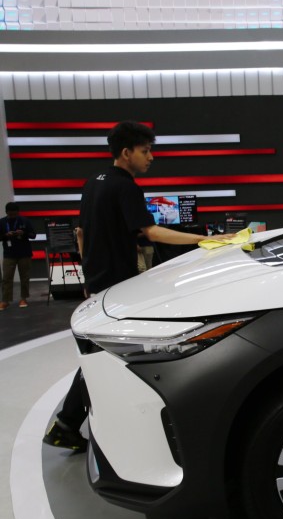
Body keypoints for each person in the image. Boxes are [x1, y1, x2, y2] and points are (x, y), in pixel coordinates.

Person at [44, 121, 235, 452]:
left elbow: (81, 234)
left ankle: (69, 423)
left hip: (98, 281)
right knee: (109, 356)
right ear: (126, 153)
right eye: (146, 152)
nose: (151, 158)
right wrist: (208, 239)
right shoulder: (125, 187)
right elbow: (152, 232)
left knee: (101, 354)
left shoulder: (92, 183)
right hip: (118, 285)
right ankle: (69, 423)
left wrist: (89, 275)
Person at [0, 202, 35, 310]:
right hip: (9, 254)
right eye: (10, 215)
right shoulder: (2, 222)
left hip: (24, 253)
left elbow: (33, 235)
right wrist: (6, 235)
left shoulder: (25, 221)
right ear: (6, 213)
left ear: (18, 212)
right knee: (6, 278)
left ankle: (23, 298)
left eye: (15, 214)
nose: (12, 217)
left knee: (24, 277)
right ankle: (5, 300)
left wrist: (23, 233)